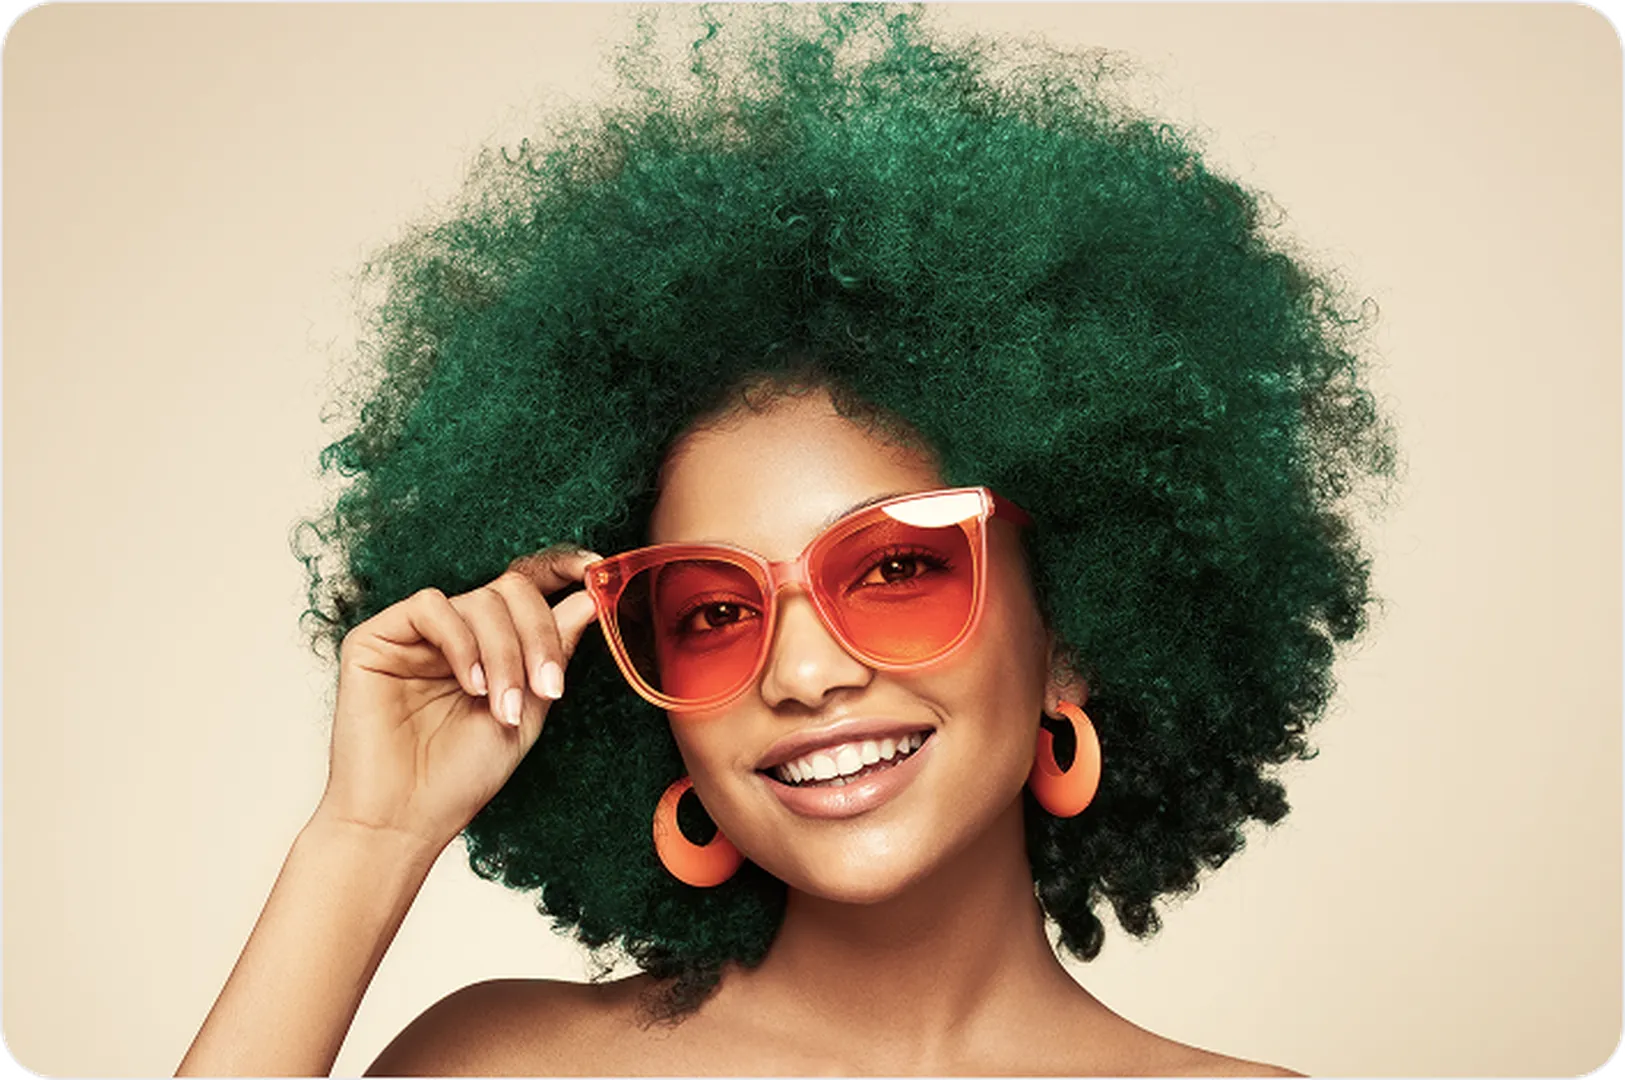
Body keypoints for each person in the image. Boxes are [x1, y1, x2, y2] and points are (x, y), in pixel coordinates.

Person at [179, 6, 1392, 1075]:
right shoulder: (505, 1065)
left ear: (1070, 630)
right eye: (710, 612)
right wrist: (368, 837)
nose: (802, 674)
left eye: (899, 568)